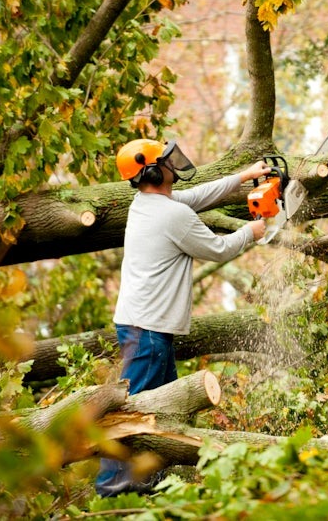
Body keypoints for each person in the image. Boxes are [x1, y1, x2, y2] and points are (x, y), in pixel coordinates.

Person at [96, 138, 269, 497]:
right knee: (131, 413)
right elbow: (218, 249)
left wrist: (244, 176)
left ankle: (151, 483)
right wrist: (250, 232)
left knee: (164, 411)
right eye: (167, 161)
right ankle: (109, 490)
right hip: (148, 329)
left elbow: (200, 196)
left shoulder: (148, 205)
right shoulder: (170, 214)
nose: (175, 165)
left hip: (144, 324)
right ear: (154, 170)